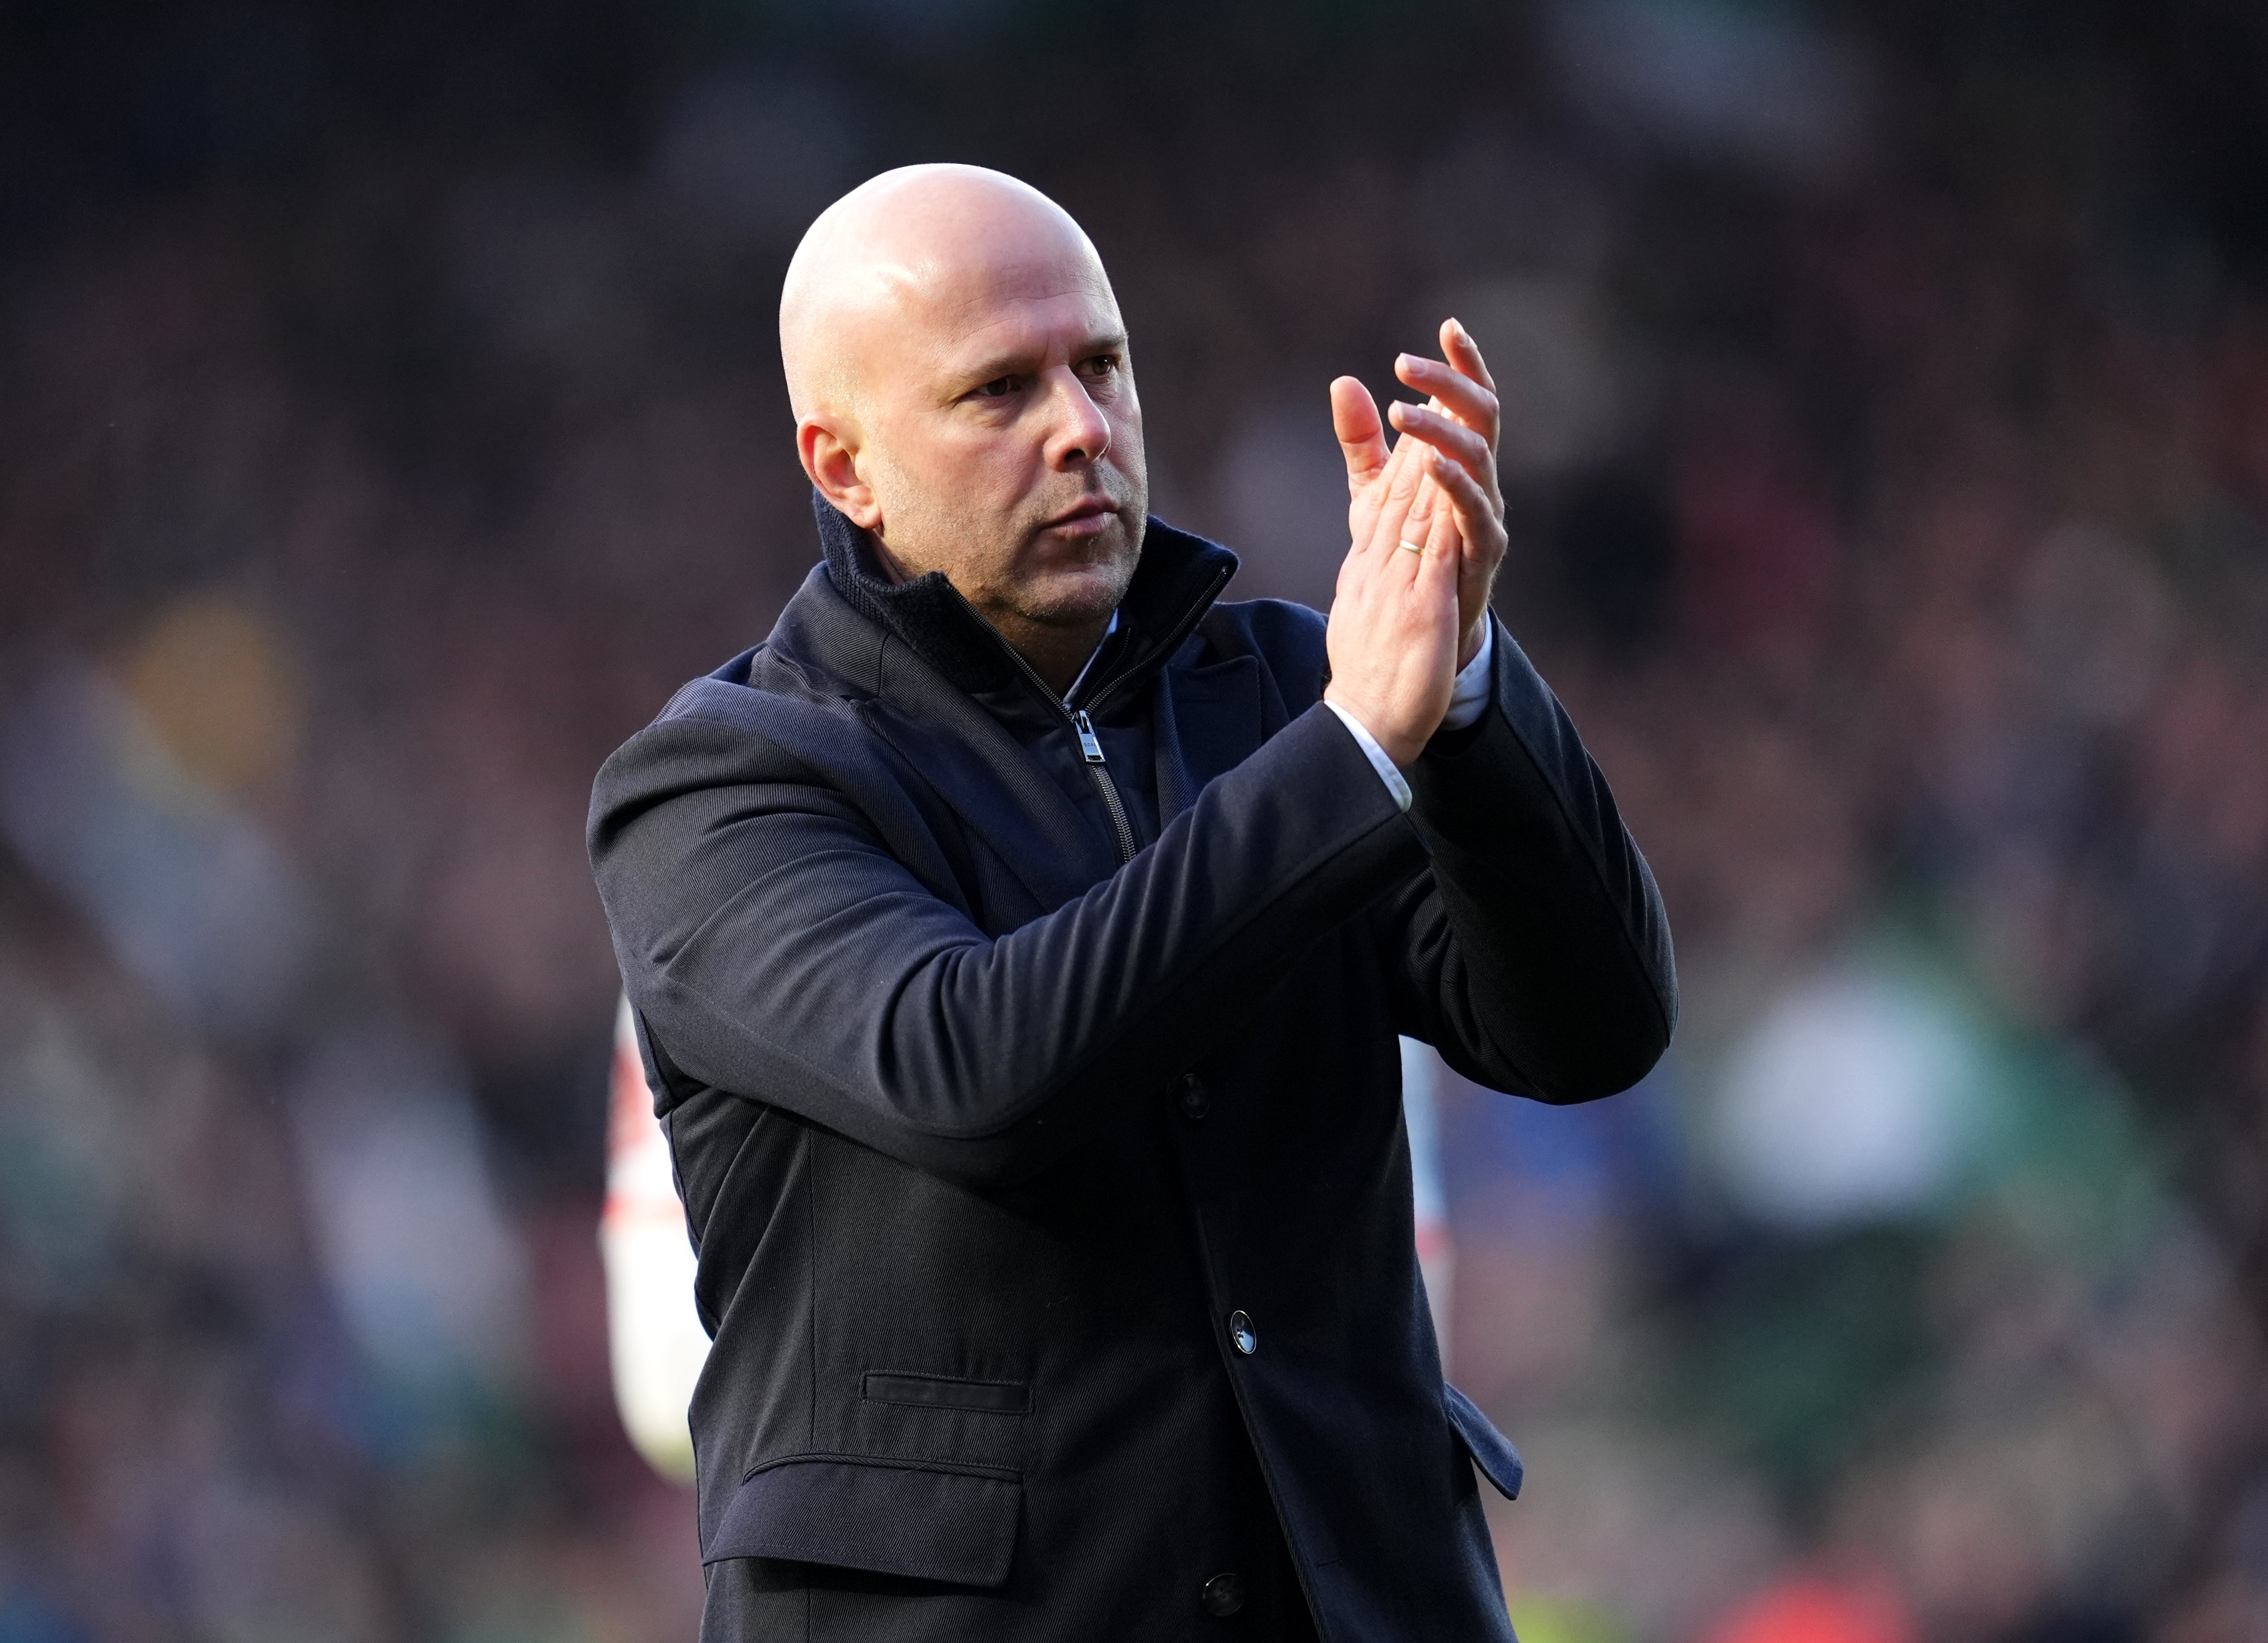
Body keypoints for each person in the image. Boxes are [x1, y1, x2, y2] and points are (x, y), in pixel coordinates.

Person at [587, 163, 1675, 1642]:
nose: (1081, 429)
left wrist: (1466, 672)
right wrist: (1357, 748)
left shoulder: (1285, 687)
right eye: (998, 391)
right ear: (844, 467)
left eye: (1101, 366)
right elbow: (972, 1068)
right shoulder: (721, 785)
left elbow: (1591, 1028)